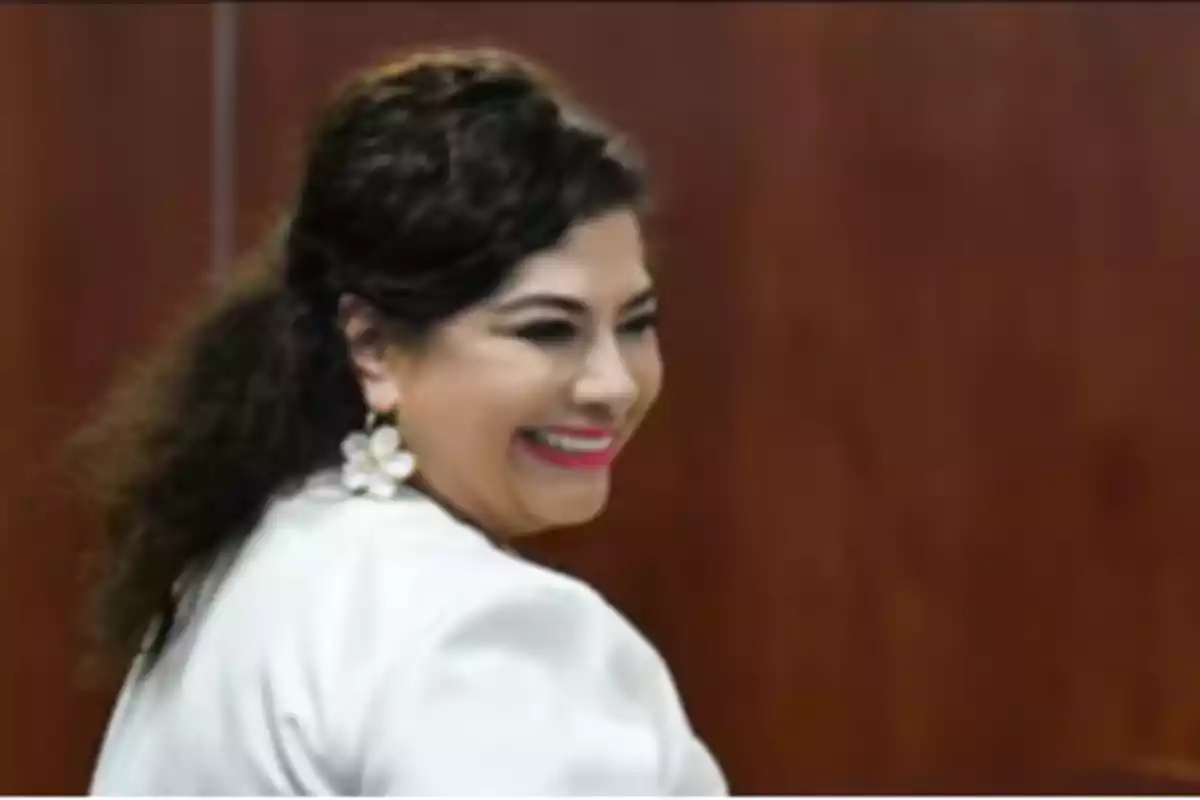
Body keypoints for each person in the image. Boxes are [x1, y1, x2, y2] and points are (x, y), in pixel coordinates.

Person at [76, 47, 727, 796]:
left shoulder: (254, 561)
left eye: (637, 323)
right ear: (373, 344)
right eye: (548, 330)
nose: (613, 383)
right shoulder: (476, 628)